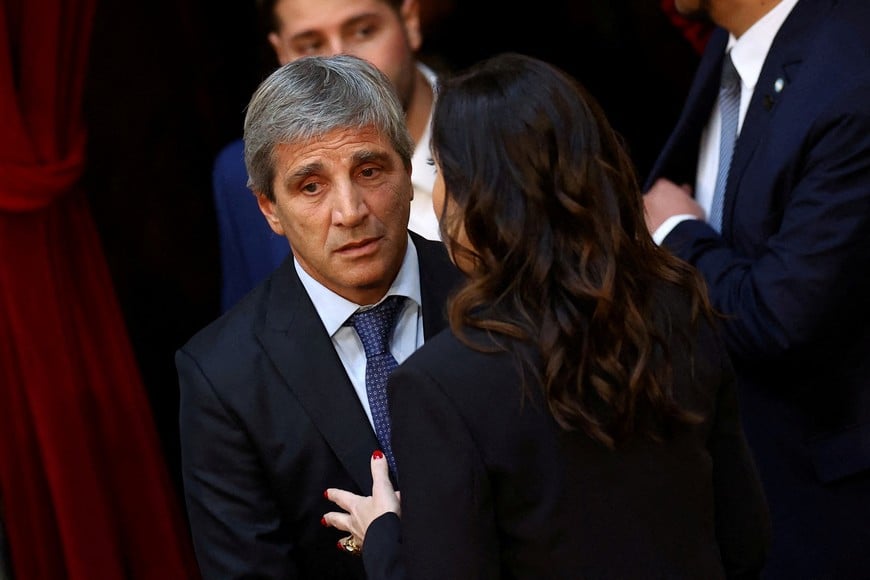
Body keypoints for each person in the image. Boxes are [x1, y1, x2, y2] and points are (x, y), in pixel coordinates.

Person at [322, 52, 771, 579]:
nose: (437, 189)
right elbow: (745, 539)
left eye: (438, 167)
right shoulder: (677, 305)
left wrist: (384, 535)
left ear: (480, 196)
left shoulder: (439, 384)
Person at [176, 54, 462, 579]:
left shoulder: (490, 294)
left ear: (407, 167)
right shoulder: (223, 378)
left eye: (369, 170)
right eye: (311, 186)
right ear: (269, 209)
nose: (350, 210)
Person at [642, 0, 870, 578]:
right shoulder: (735, 44)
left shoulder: (848, 75)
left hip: (825, 511)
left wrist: (676, 232)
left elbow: (779, 317)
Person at [214, 0, 443, 313]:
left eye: (363, 31)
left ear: (410, 21)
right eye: (311, 44)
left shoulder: (508, 129)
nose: (340, 60)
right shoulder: (237, 175)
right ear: (281, 53)